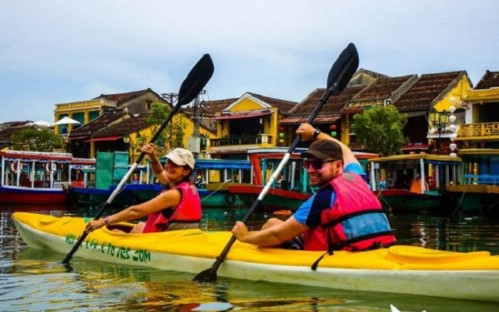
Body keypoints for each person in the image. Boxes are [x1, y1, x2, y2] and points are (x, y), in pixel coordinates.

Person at [232, 123, 396, 252]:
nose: (310, 170)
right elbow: (344, 150)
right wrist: (315, 134)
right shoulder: (357, 177)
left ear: (338, 165)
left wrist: (245, 237)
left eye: (317, 164)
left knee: (271, 226)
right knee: (274, 221)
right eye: (307, 164)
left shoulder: (322, 199)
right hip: (378, 248)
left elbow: (277, 235)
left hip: (340, 257)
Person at [85, 144, 202, 234]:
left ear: (186, 171)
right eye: (168, 162)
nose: (169, 166)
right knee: (140, 226)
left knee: (116, 232)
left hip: (166, 241)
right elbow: (159, 171)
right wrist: (153, 156)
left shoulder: (173, 195)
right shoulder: (183, 185)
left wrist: (103, 222)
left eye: (175, 165)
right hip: (176, 236)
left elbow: (135, 211)